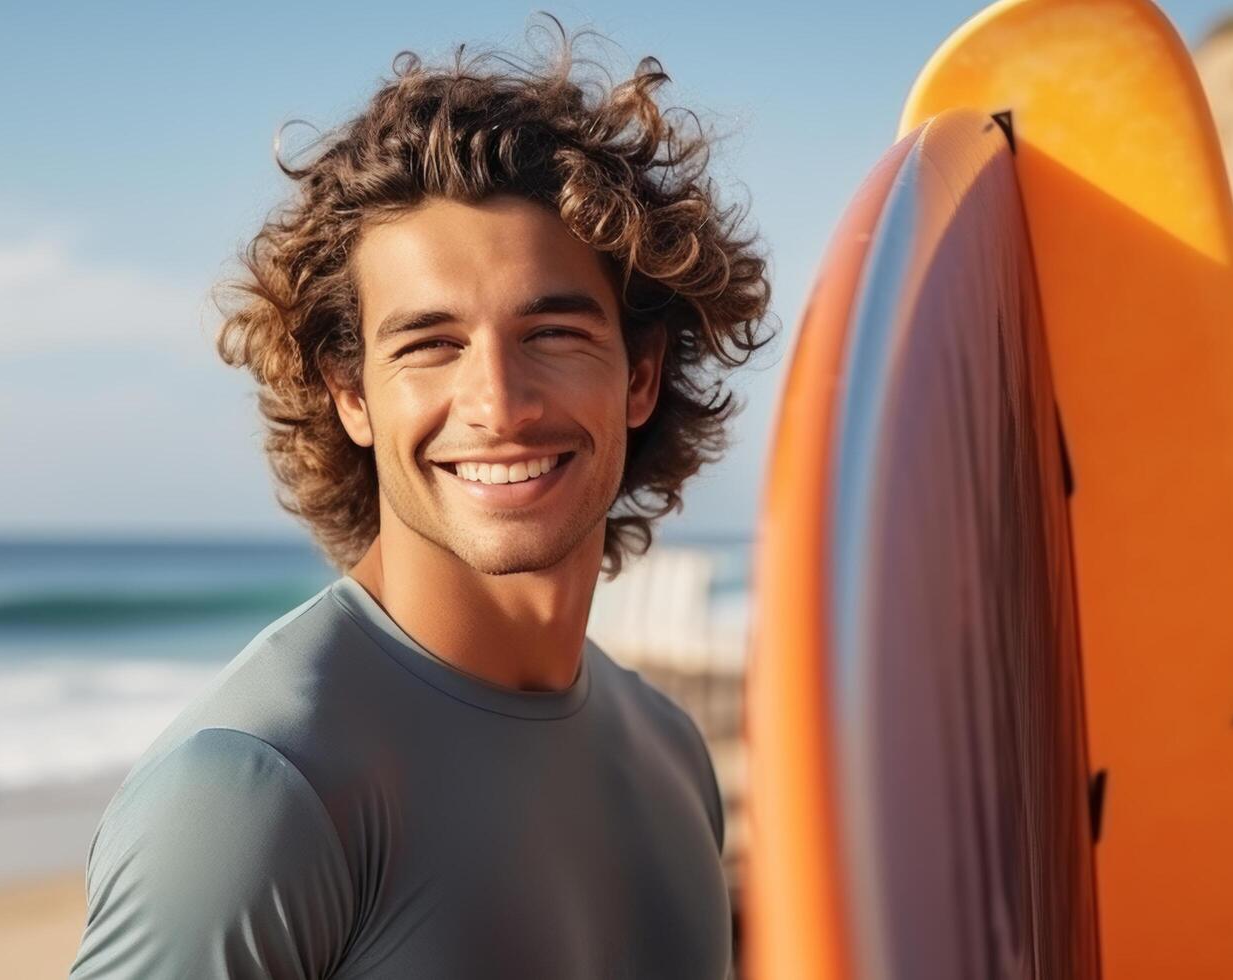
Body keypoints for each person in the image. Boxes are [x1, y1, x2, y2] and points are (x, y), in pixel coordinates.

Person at [69, 19, 770, 979]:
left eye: (553, 333)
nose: (498, 404)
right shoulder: (253, 798)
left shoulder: (671, 753)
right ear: (350, 394)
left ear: (640, 375)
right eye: (428, 344)